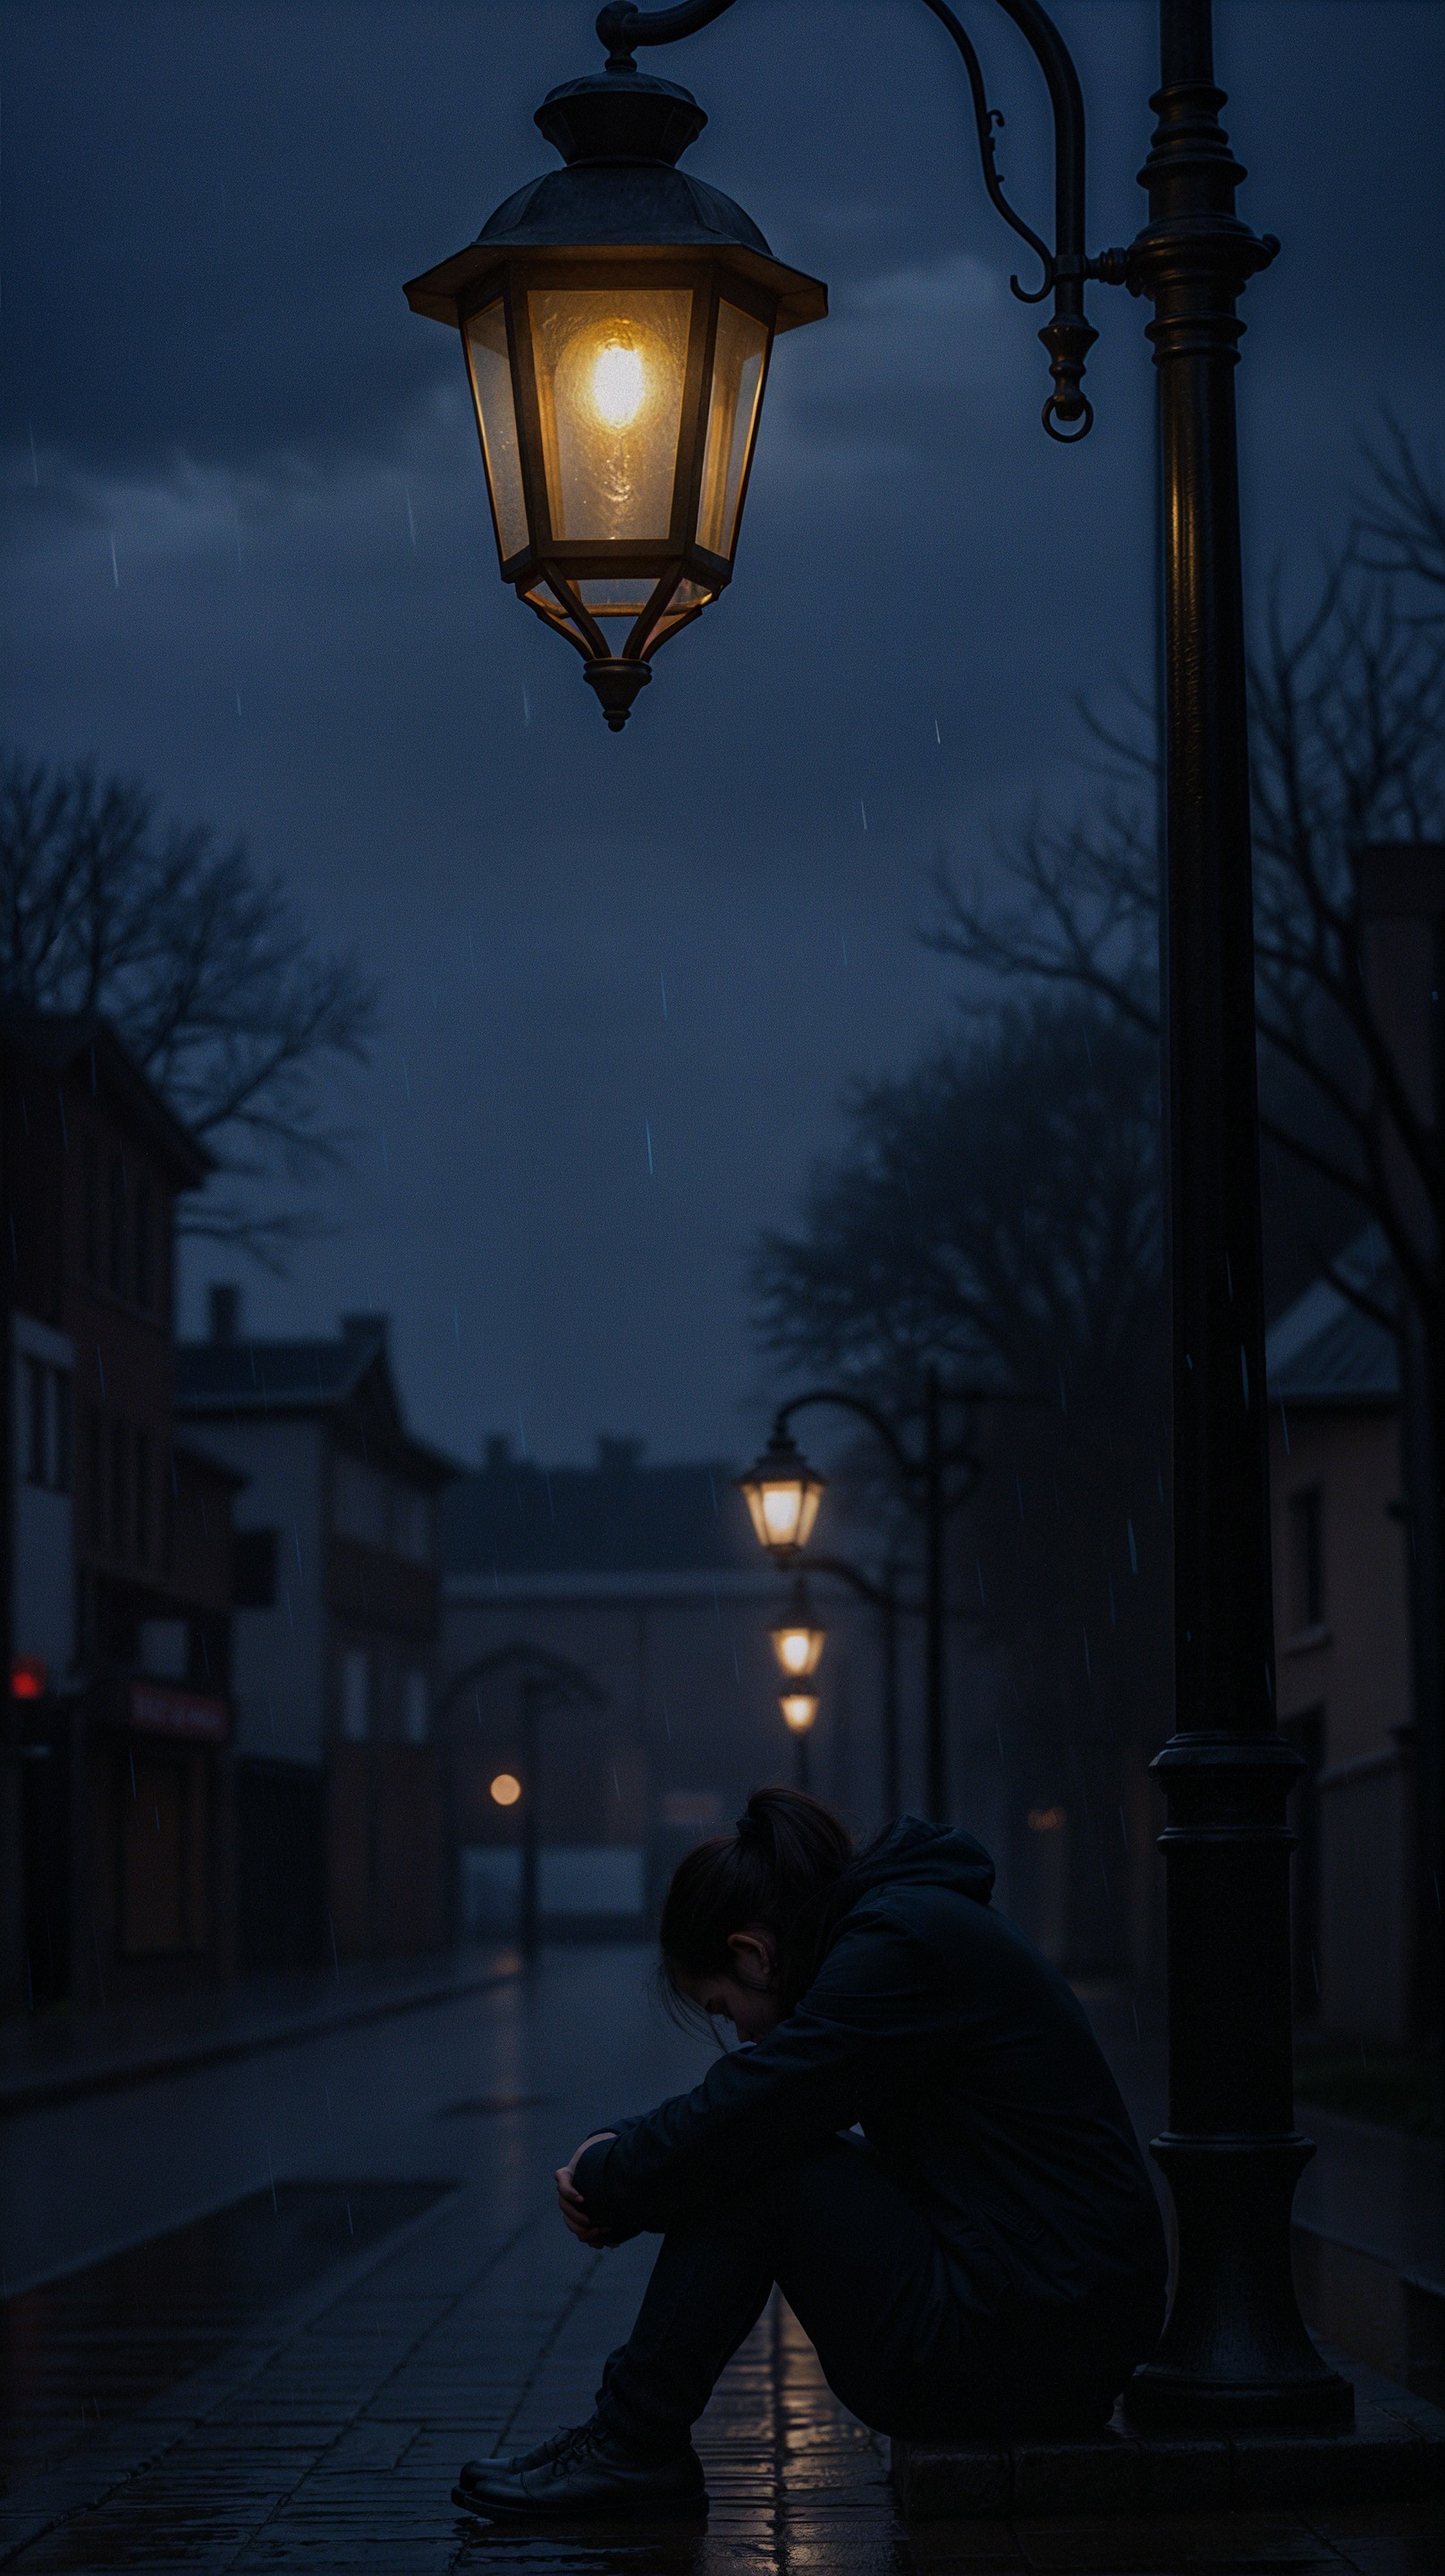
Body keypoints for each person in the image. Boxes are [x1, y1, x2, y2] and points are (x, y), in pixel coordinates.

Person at [453, 1787, 1167, 2521]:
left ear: (753, 1953)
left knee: (761, 2162)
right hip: (1047, 2321)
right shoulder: (907, 1930)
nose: (740, 2036)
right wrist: (626, 2153)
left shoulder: (900, 1946)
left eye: (724, 2010)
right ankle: (629, 2438)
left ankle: (633, 2442)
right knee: (759, 2144)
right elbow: (761, 2100)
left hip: (1031, 2338)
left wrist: (611, 2171)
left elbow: (752, 2109)